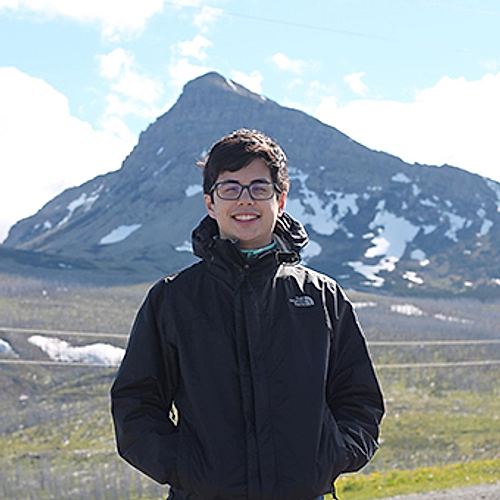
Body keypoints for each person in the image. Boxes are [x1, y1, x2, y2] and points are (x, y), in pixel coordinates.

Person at [111, 128, 385, 500]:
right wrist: (185, 469)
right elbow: (135, 403)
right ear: (210, 203)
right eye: (230, 188)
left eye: (259, 188)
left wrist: (330, 457)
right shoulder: (173, 299)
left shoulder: (322, 297)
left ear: (280, 200)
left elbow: (360, 398)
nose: (245, 200)